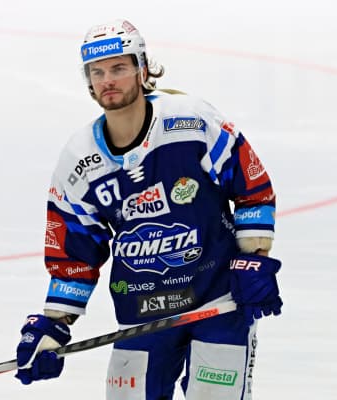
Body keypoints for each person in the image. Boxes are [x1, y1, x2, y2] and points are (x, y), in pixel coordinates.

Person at [15, 19, 283, 400]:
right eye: (97, 72)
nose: (108, 80)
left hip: (218, 301)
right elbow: (74, 252)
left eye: (119, 68)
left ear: (142, 69)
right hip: (142, 311)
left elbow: (251, 185)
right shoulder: (78, 160)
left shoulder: (191, 121)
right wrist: (53, 326)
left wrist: (254, 258)